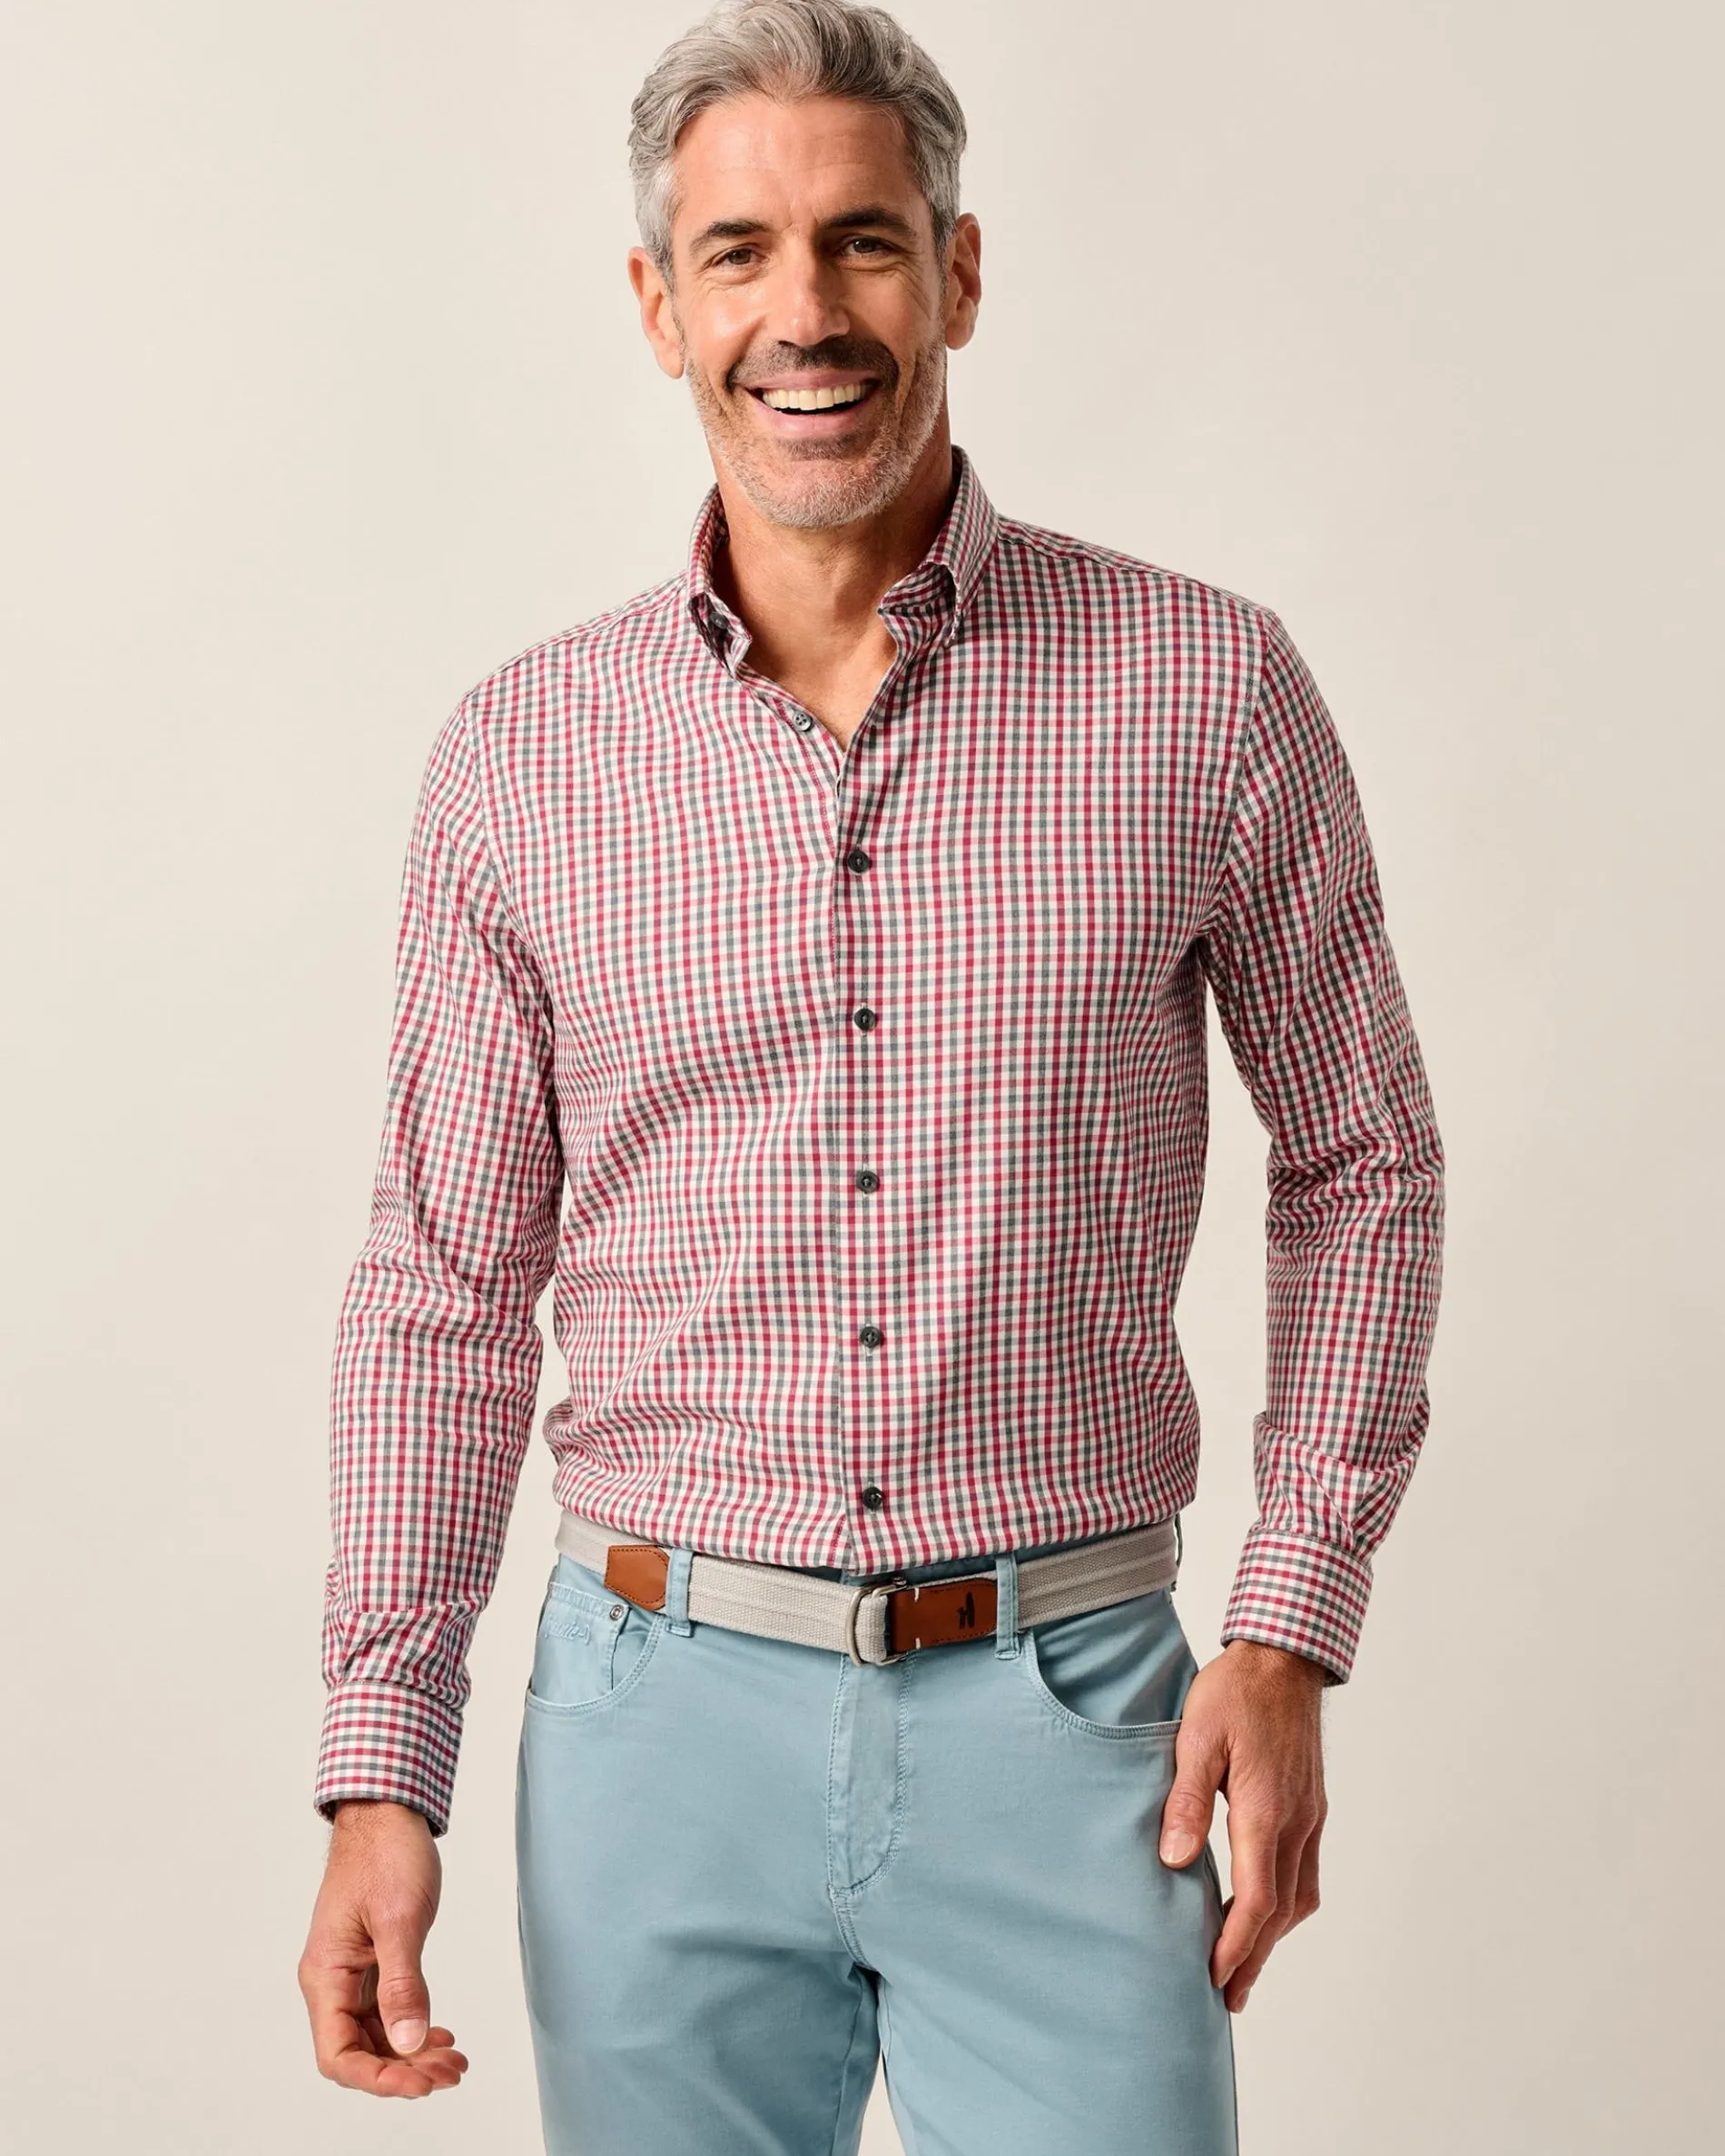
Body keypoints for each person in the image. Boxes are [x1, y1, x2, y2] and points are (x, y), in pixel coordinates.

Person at [297, 3, 1445, 2149]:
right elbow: (442, 1286)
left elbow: (1361, 1159)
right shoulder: (519, 760)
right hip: (648, 1741)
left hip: (1077, 1720)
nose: (802, 312)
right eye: (735, 252)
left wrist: (1288, 1623)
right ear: (658, 304)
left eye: (861, 240)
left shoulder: (1202, 687)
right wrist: (385, 1763)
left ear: (957, 273)